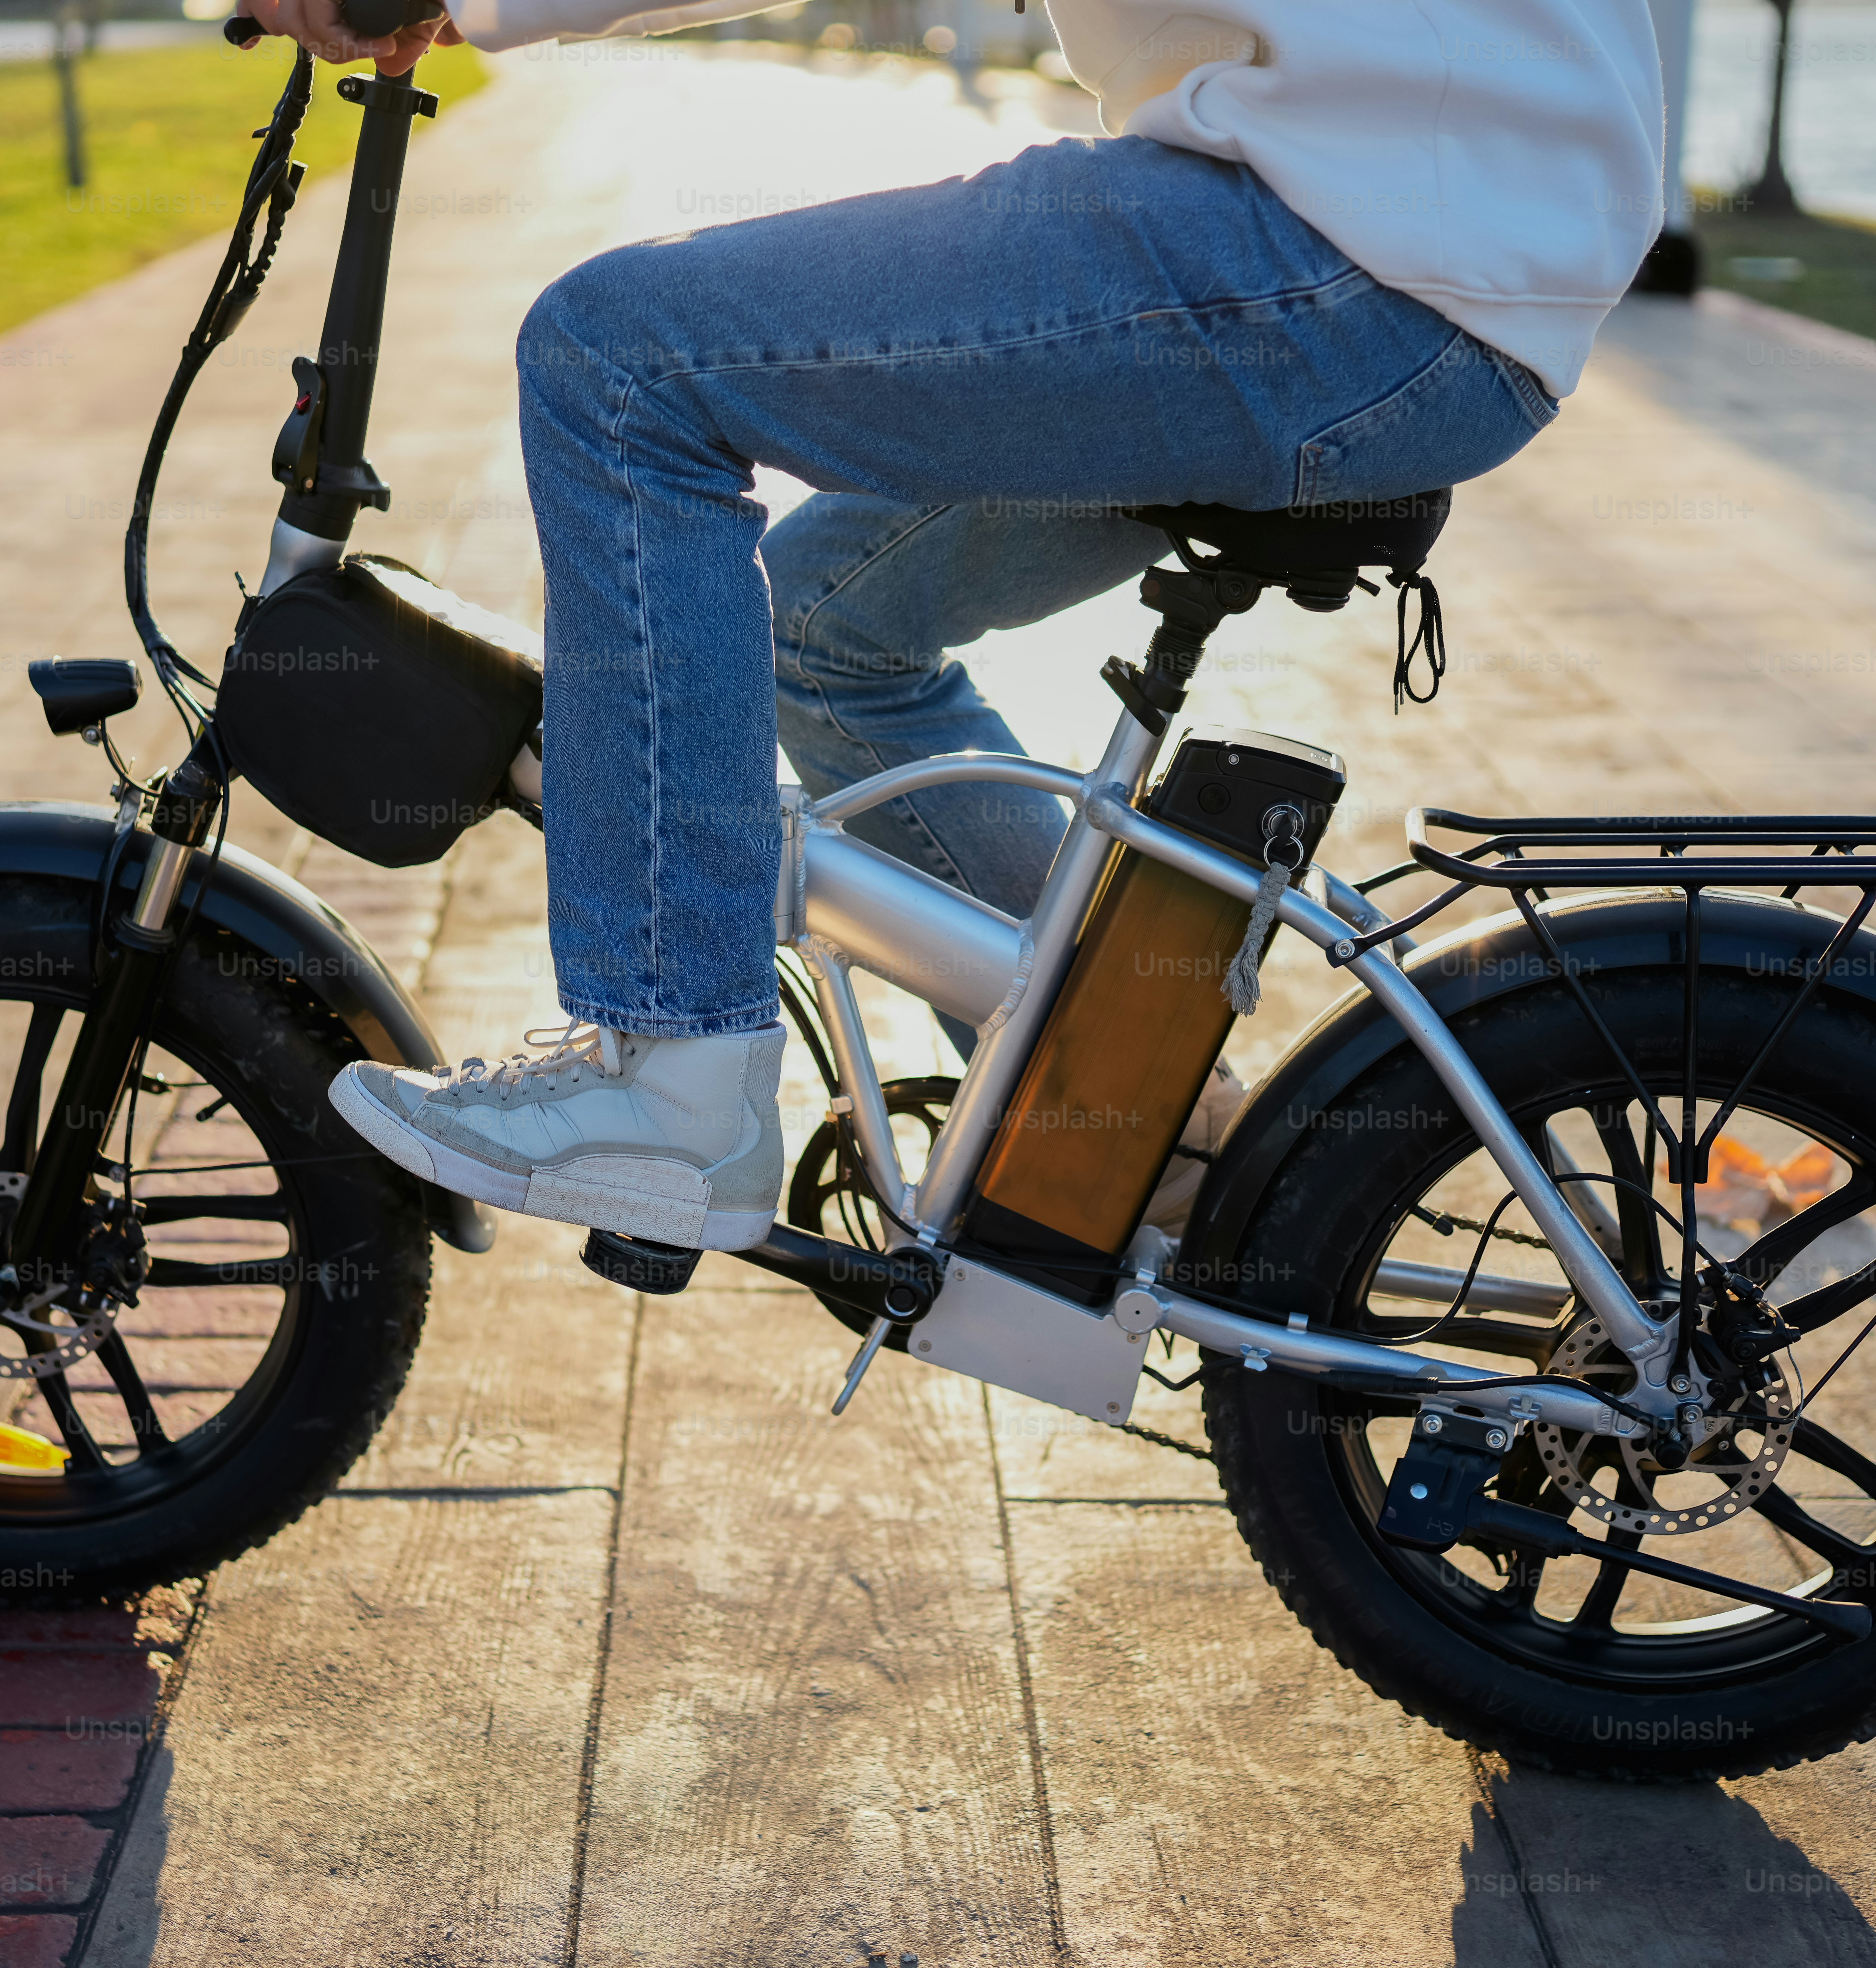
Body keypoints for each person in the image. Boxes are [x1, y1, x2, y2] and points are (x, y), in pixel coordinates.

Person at [283, 0, 1663, 1253]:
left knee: (615, 356)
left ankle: (675, 1083)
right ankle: (1121, 1139)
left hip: (1350, 261)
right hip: (1421, 258)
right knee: (822, 633)